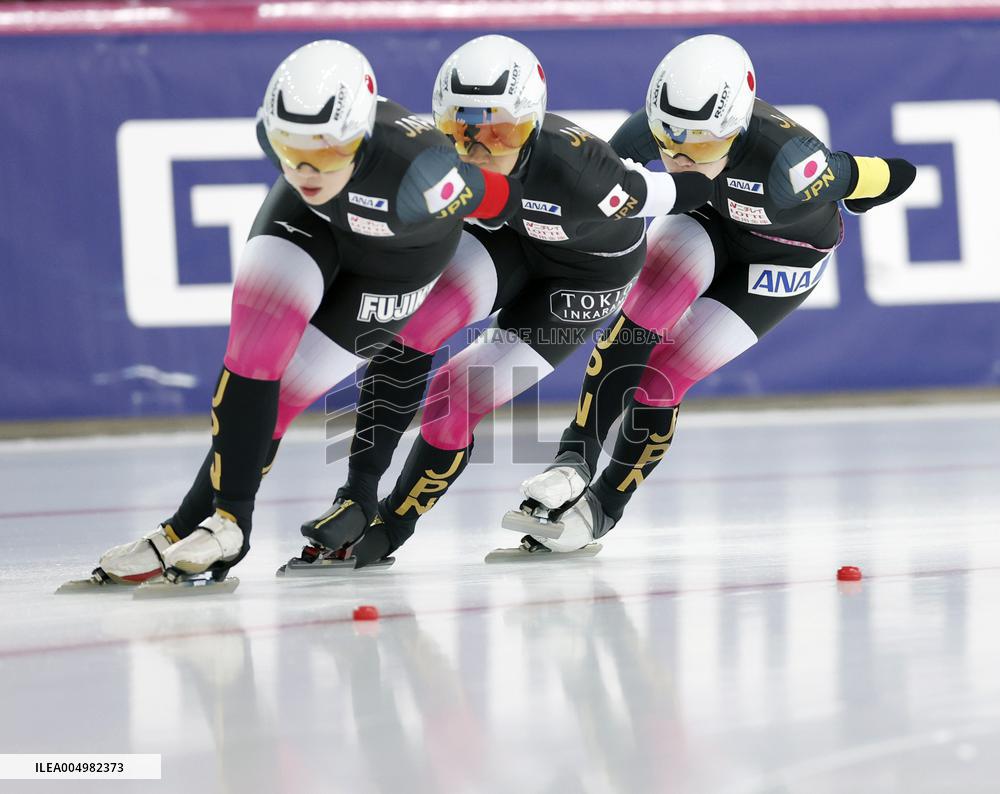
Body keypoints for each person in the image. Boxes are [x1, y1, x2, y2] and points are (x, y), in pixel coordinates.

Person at [79, 39, 522, 589]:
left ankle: (191, 523)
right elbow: (306, 167)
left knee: (287, 391)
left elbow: (502, 197)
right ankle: (223, 524)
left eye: (328, 152)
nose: (309, 169)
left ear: (359, 138)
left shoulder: (425, 174)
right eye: (292, 151)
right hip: (312, 226)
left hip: (397, 265)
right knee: (253, 354)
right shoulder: (276, 137)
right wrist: (309, 164)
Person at [293, 34, 713, 571]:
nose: (477, 151)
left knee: (454, 397)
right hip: (508, 244)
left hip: (587, 278)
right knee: (412, 328)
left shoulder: (585, 174)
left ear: (533, 124)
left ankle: (394, 524)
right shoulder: (439, 161)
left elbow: (685, 190)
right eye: (460, 133)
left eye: (499, 133)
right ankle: (355, 497)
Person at [510, 34, 917, 555]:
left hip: (783, 259)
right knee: (637, 319)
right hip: (708, 222)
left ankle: (604, 506)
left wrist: (865, 191)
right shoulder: (650, 131)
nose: (680, 159)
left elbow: (889, 175)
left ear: (737, 127)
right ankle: (575, 456)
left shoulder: (794, 167)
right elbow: (595, 186)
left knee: (663, 375)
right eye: (668, 141)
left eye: (700, 146)